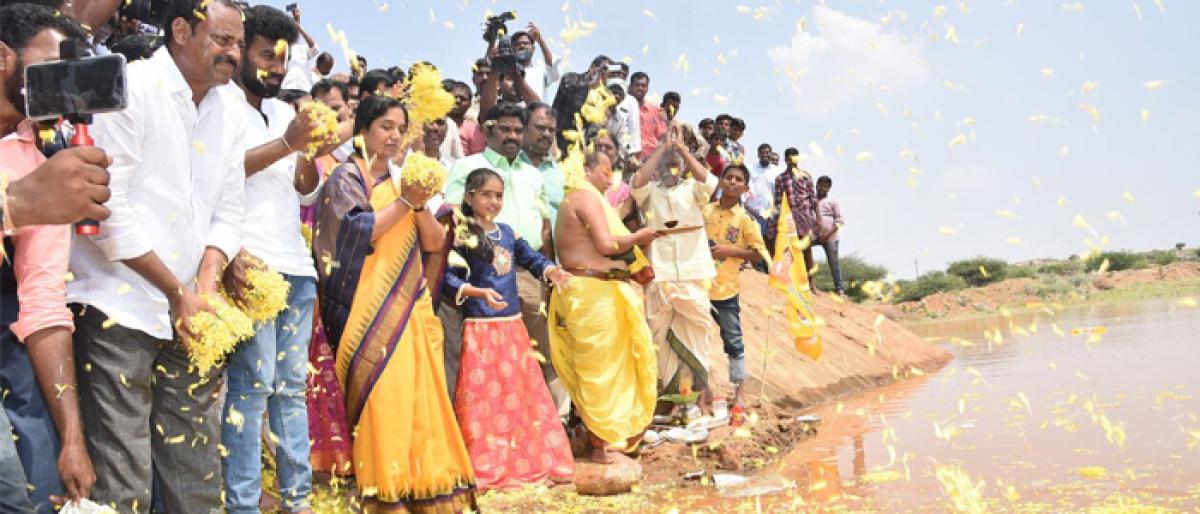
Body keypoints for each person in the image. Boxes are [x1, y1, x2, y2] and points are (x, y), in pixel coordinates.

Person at [66, 1, 247, 511]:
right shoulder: (130, 86)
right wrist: (176, 290)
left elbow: (230, 208)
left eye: (238, 43)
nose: (234, 54)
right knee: (124, 478)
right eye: (223, 40)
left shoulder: (230, 107)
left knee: (196, 470)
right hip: (119, 308)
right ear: (182, 31)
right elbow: (105, 208)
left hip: (190, 313)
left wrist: (205, 287)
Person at [313, 95, 477, 511]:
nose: (393, 135)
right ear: (364, 129)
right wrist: (405, 201)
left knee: (419, 397)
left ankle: (422, 485)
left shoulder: (408, 179)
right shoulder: (346, 179)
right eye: (385, 126)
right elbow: (358, 232)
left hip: (412, 306)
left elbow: (435, 242)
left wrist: (418, 201)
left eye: (399, 128)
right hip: (365, 311)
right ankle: (384, 490)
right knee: (385, 397)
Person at [222, 6, 332, 513]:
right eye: (266, 55)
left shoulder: (286, 113)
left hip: (296, 268)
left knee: (290, 390)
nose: (274, 68)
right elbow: (219, 175)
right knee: (251, 388)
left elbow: (304, 191)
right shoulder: (219, 103)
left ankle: (298, 501)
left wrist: (308, 151)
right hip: (248, 264)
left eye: (281, 60)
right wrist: (288, 143)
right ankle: (244, 503)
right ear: (241, 50)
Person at [0, 5, 106, 511]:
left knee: (37, 486)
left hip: (9, 339)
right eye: (51, 66)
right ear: (3, 59)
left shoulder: (43, 155)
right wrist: (16, 204)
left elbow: (42, 302)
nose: (64, 84)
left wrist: (71, 439)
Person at [444, 168, 574, 490]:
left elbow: (531, 258)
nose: (493, 201)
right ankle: (488, 463)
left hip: (512, 330)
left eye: (499, 195)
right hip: (480, 329)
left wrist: (552, 271)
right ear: (470, 196)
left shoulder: (507, 232)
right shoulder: (461, 235)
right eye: (486, 194)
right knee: (484, 398)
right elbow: (447, 278)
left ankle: (525, 459)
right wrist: (476, 292)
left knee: (519, 395)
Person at [549, 147, 659, 464]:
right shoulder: (583, 197)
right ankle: (605, 445)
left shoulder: (580, 198)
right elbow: (607, 244)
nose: (610, 178)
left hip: (590, 291)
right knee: (600, 371)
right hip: (589, 293)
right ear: (587, 170)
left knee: (606, 367)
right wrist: (640, 237)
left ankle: (610, 439)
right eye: (605, 170)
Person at [442, 103, 549, 405]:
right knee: (478, 362)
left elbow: (544, 225)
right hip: (479, 277)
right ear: (489, 130)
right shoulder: (466, 166)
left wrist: (549, 268)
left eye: (518, 129)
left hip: (528, 271)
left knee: (530, 351)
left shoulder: (533, 174)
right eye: (505, 129)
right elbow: (451, 222)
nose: (513, 135)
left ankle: (525, 420)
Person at [632, 122, 719, 411]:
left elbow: (711, 183)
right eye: (666, 164)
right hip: (660, 269)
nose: (671, 167)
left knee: (698, 328)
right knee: (660, 331)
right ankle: (670, 399)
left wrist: (681, 149)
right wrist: (662, 149)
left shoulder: (694, 188)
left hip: (693, 269)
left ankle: (702, 392)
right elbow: (636, 184)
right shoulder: (651, 191)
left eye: (676, 163)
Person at [702, 164, 767, 422]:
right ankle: (699, 396)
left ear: (745, 187)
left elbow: (759, 253)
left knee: (734, 342)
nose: (732, 182)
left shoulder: (745, 219)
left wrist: (730, 252)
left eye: (738, 179)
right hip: (697, 286)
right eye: (727, 177)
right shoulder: (704, 210)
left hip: (726, 290)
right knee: (697, 342)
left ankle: (739, 397)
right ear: (720, 181)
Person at [772, 147, 821, 290]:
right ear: (786, 159)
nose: (793, 159)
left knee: (807, 250)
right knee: (789, 250)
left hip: (805, 216)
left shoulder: (806, 176)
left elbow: (813, 199)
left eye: (795, 156)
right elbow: (778, 201)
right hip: (788, 217)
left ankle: (811, 283)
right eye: (790, 157)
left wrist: (818, 218)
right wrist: (776, 221)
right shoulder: (780, 178)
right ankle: (793, 281)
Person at [511, 23, 560, 102]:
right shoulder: (507, 73)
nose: (522, 46)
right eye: (517, 44)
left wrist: (540, 40)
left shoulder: (540, 71)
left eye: (526, 43)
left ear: (533, 49)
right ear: (512, 49)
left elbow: (551, 66)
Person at [280, 4, 323, 92]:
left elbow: (315, 48)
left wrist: (299, 27)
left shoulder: (303, 49)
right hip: (285, 89)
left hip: (303, 89)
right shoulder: (281, 48)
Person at [815, 175, 845, 295]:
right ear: (816, 185)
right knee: (801, 249)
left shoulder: (833, 201)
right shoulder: (812, 200)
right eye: (820, 185)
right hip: (814, 235)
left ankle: (839, 288)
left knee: (833, 262)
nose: (822, 188)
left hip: (830, 237)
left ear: (829, 188)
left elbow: (840, 221)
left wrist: (827, 235)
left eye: (825, 186)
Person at [747, 142, 779, 253]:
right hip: (752, 212)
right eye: (762, 153)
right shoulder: (750, 168)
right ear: (758, 155)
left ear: (771, 154)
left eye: (767, 152)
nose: (765, 154)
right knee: (752, 243)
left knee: (769, 243)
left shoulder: (776, 171)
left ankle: (770, 269)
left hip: (769, 214)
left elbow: (778, 193)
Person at [630, 71, 666, 161]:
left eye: (643, 86)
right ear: (630, 87)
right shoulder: (622, 108)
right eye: (637, 85)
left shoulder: (656, 111)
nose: (640, 88)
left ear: (647, 88)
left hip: (651, 162)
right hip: (628, 161)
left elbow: (663, 137)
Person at [448, 80, 485, 155]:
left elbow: (477, 158)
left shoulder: (473, 129)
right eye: (454, 97)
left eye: (463, 99)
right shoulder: (436, 123)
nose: (457, 101)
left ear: (469, 104)